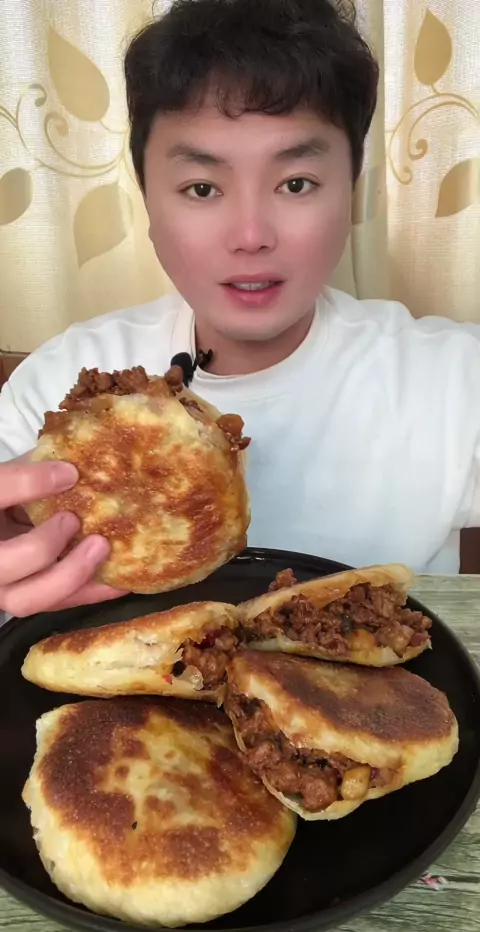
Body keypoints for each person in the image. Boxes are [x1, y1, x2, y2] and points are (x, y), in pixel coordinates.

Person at [0, 0, 479, 619]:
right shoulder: (56, 387)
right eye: (202, 188)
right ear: (147, 198)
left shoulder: (453, 379)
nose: (251, 235)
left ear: (352, 187)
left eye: (296, 183)